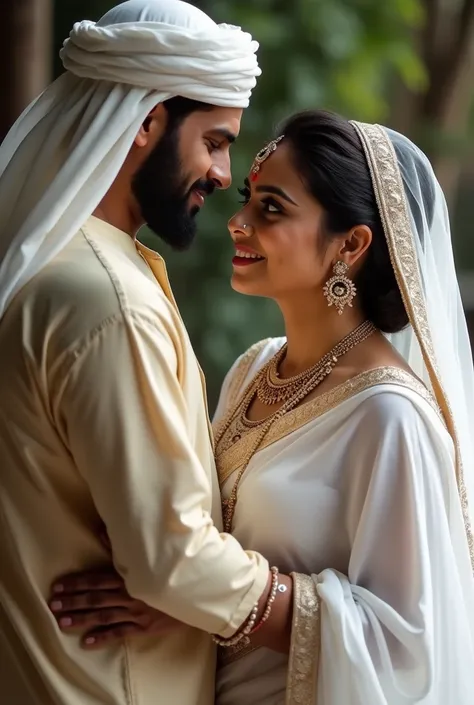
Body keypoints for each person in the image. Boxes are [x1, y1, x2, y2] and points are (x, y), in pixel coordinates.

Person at [50, 109, 474, 705]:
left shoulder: (390, 417)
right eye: (247, 198)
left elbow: (406, 648)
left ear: (350, 244)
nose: (238, 223)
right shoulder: (255, 368)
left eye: (271, 208)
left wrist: (212, 603)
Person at [0, 2, 299, 704]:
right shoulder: (108, 302)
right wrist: (319, 609)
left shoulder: (54, 267)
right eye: (215, 141)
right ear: (146, 121)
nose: (224, 174)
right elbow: (172, 563)